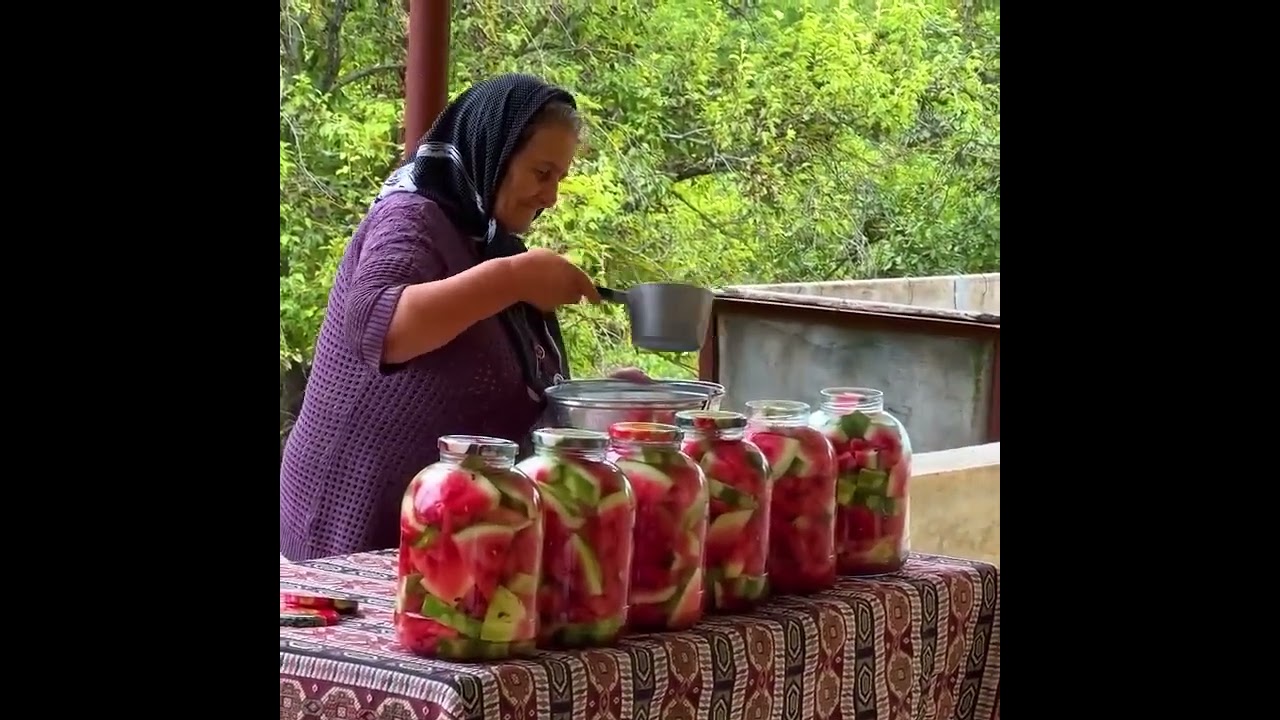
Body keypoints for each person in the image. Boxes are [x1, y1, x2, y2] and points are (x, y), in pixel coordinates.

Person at [280, 73, 647, 561]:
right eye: (541, 173)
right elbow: (378, 326)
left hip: (441, 532)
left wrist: (595, 402)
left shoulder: (486, 242)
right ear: (492, 152)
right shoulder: (412, 218)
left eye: (559, 178)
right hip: (345, 529)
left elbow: (506, 401)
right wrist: (513, 277)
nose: (552, 197)